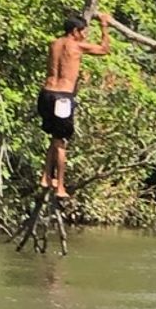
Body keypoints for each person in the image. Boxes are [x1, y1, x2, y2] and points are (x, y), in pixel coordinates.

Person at [37, 11, 111, 199]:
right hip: (62, 97)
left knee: (55, 139)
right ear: (75, 31)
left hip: (46, 94)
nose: (85, 35)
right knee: (61, 143)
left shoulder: (54, 44)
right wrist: (104, 24)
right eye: (84, 31)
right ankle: (60, 186)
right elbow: (104, 49)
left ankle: (46, 177)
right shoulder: (76, 46)